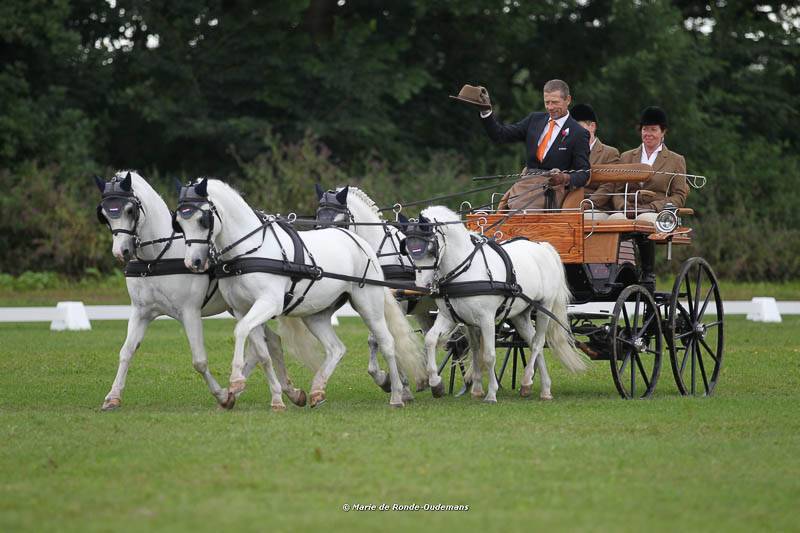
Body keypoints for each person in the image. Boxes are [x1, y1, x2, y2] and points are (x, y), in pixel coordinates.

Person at [467, 79, 590, 210]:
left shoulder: (579, 133)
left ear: (568, 100)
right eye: (546, 102)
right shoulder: (534, 120)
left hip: (552, 193)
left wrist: (564, 178)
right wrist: (486, 111)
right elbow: (500, 135)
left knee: (524, 213)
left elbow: (584, 174)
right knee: (493, 213)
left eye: (555, 102)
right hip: (524, 187)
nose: (550, 107)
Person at [607, 106, 689, 223]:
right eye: (645, 129)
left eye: (653, 130)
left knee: (644, 219)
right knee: (614, 220)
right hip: (628, 212)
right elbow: (617, 191)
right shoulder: (626, 157)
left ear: (663, 132)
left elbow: (679, 197)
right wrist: (624, 206)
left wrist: (652, 207)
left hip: (656, 213)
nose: (648, 134)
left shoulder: (676, 160)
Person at [570, 103, 620, 217]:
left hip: (597, 209)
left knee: (584, 217)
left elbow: (608, 186)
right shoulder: (567, 153)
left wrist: (587, 204)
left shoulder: (609, 153)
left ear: (592, 126)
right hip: (569, 206)